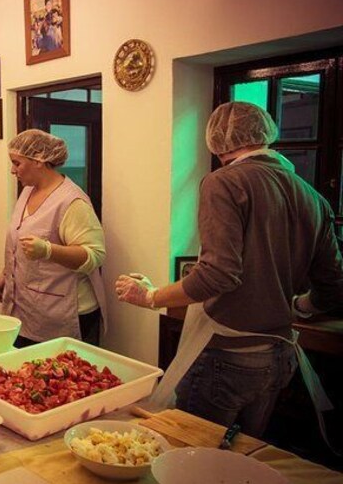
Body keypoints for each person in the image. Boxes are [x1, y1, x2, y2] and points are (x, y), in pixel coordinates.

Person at [116, 101, 343, 438]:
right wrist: (298, 306)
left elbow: (218, 274)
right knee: (244, 456)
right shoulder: (312, 197)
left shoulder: (224, 182)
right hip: (278, 358)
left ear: (217, 140)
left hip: (228, 358)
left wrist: (150, 296)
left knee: (195, 456)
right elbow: (334, 287)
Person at [0, 129, 107, 347]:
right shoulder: (27, 192)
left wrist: (49, 250)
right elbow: (19, 243)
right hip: (27, 307)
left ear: (39, 160)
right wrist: (6, 275)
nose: (12, 170)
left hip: (65, 311)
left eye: (17, 163)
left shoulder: (72, 202)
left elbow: (95, 255)